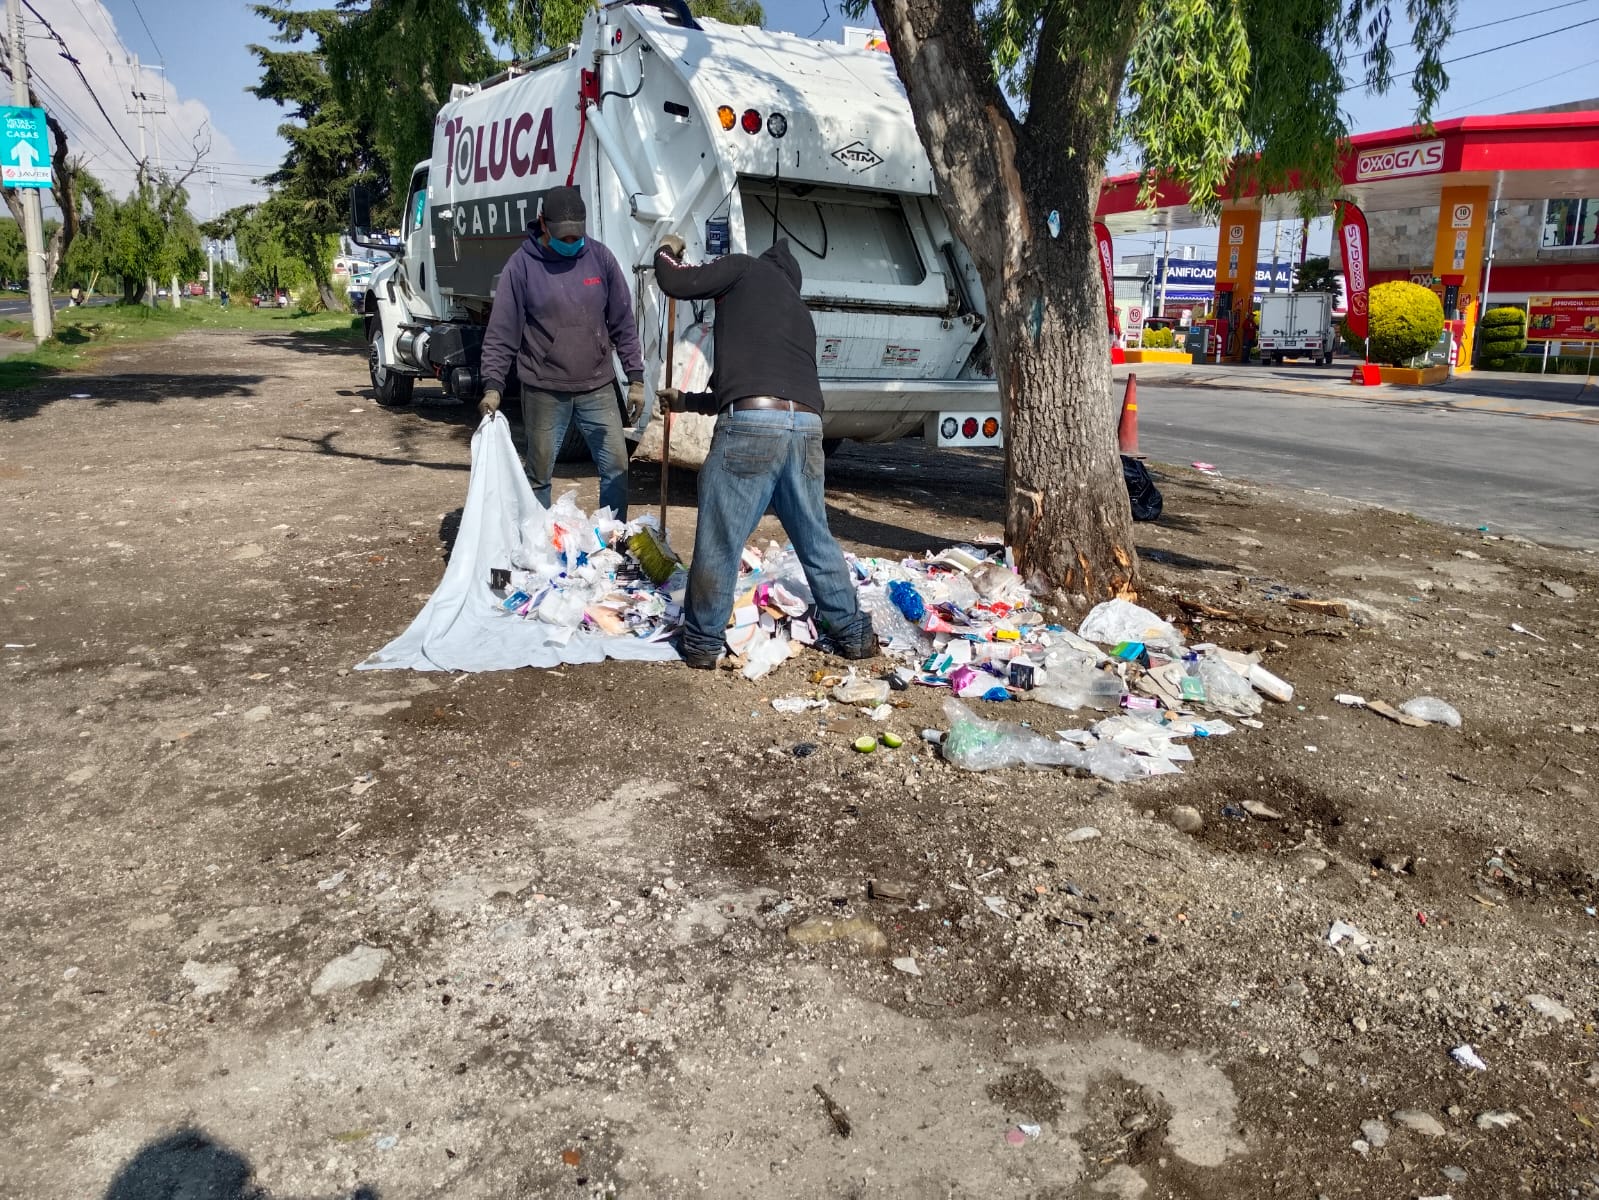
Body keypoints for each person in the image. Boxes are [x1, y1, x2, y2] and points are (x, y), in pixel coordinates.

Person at [652, 235, 876, 669]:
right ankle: (854, 633)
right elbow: (755, 385)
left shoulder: (742, 270)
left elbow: (675, 282)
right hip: (807, 427)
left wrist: (668, 251)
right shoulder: (799, 312)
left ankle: (701, 643)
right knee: (815, 538)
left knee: (721, 539)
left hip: (753, 425)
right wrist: (685, 401)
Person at [478, 186, 645, 519]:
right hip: (544, 388)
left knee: (616, 466)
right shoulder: (521, 267)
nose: (570, 243)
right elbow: (501, 331)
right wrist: (493, 385)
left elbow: (623, 322)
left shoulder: (601, 259)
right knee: (539, 474)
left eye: (576, 236)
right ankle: (537, 547)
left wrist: (636, 377)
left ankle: (611, 541)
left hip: (597, 385)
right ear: (543, 224)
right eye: (562, 237)